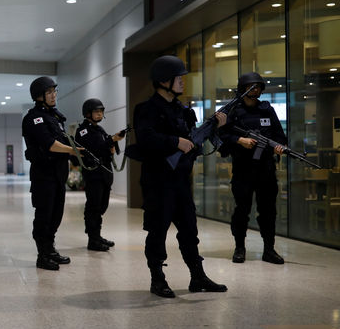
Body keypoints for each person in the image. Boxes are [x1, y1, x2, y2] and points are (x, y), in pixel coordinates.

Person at [132, 55, 228, 298]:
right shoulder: (146, 109)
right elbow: (145, 139)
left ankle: (198, 277)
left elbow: (193, 143)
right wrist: (175, 141)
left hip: (181, 181)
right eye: (179, 78)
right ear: (164, 81)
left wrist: (215, 128)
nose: (183, 82)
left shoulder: (183, 111)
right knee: (157, 231)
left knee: (189, 231)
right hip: (158, 181)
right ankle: (158, 279)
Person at [218, 72, 286, 265]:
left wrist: (279, 147)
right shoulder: (233, 111)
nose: (255, 90)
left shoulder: (267, 110)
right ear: (243, 89)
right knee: (242, 210)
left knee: (268, 211)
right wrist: (239, 140)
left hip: (266, 169)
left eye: (258, 86)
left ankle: (269, 249)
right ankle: (240, 247)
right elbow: (221, 135)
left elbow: (279, 136)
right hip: (243, 169)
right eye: (251, 86)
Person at [21, 77, 76, 271]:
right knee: (44, 215)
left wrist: (73, 150)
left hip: (58, 174)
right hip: (43, 175)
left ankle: (50, 248)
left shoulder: (54, 116)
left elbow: (63, 140)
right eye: (49, 92)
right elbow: (50, 144)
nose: (54, 95)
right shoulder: (33, 118)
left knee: (56, 214)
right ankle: (42, 255)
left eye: (54, 92)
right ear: (39, 96)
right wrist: (73, 150)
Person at [75, 98, 124, 251]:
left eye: (101, 111)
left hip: (104, 174)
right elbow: (96, 147)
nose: (100, 114)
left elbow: (106, 147)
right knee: (94, 206)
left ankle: (97, 235)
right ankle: (93, 239)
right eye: (96, 111)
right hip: (94, 174)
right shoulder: (83, 131)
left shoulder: (99, 129)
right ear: (88, 113)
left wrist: (113, 141)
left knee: (102, 206)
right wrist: (112, 139)